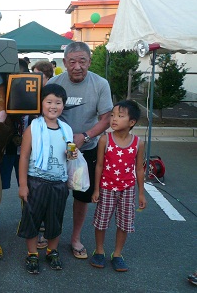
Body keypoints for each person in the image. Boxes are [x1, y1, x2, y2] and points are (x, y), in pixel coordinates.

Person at [47, 41, 113, 259]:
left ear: (89, 62)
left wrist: (85, 136)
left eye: (82, 61)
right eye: (72, 61)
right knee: (53, 195)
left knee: (81, 196)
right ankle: (49, 233)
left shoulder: (100, 84)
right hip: (58, 151)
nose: (77, 66)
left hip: (88, 149)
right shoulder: (55, 83)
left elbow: (106, 119)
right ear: (64, 62)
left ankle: (75, 238)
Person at [17, 84, 76, 274]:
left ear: (63, 105)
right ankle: (32, 253)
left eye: (58, 102)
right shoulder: (33, 128)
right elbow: (24, 157)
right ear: (41, 104)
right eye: (49, 101)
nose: (53, 106)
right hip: (36, 182)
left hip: (59, 182)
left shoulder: (66, 129)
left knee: (55, 220)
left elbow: (67, 154)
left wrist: (71, 156)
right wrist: (23, 185)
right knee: (32, 219)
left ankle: (52, 251)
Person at [90, 100, 146, 272]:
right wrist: (96, 189)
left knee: (124, 223)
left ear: (131, 122)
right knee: (101, 222)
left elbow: (139, 169)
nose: (114, 119)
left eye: (120, 116)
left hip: (127, 189)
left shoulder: (138, 143)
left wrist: (141, 194)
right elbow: (99, 165)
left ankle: (117, 254)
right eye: (113, 115)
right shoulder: (105, 140)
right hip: (106, 188)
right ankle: (99, 250)